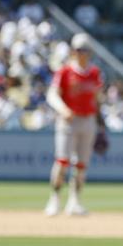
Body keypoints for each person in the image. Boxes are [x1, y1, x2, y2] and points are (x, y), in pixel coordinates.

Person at [44, 33, 105, 216]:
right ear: (73, 51)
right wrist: (63, 109)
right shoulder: (65, 71)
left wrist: (101, 123)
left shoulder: (94, 73)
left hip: (88, 120)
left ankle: (74, 202)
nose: (81, 53)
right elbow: (52, 95)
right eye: (78, 50)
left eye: (84, 50)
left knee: (81, 164)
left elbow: (97, 99)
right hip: (68, 121)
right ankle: (54, 199)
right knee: (62, 161)